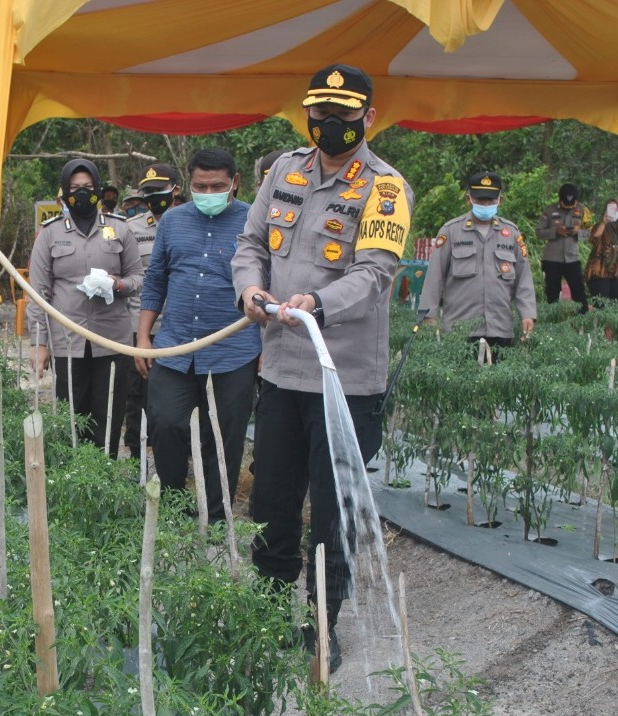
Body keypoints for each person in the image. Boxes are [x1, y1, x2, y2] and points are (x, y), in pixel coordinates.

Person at [232, 64, 413, 673]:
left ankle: (322, 625)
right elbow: (252, 244)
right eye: (320, 114)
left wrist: (318, 304)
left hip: (344, 380)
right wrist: (250, 291)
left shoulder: (385, 187)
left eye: (343, 115)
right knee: (273, 506)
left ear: (369, 116)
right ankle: (265, 614)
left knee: (331, 515)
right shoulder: (284, 171)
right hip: (280, 374)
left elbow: (375, 273)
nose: (329, 125)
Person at [135, 149, 258, 520]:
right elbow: (155, 279)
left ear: (234, 182)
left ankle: (215, 517)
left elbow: (269, 283)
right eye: (200, 186)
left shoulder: (255, 221)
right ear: (187, 185)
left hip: (234, 350)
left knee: (223, 436)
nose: (208, 192)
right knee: (167, 422)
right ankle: (173, 508)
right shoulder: (173, 221)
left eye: (217, 186)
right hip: (175, 346)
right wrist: (143, 338)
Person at [27, 158, 144, 456]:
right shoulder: (50, 233)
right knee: (71, 419)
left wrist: (118, 285)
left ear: (99, 190)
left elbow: (138, 277)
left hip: (112, 340)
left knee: (107, 418)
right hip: (68, 341)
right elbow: (38, 292)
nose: (81, 193)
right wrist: (39, 343)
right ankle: (73, 486)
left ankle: (105, 479)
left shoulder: (119, 229)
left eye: (88, 188)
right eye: (75, 188)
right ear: (64, 192)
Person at [419, 172, 535, 349]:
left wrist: (527, 314)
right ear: (469, 199)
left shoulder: (511, 233)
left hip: (500, 328)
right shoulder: (451, 231)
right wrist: (428, 316)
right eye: (480, 200)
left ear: (500, 200)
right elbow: (434, 277)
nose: (486, 204)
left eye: (490, 200)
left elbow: (524, 278)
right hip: (460, 329)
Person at [122, 162, 182, 459]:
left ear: (176, 190)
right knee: (137, 395)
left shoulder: (191, 223)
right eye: (148, 192)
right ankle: (136, 455)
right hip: (141, 327)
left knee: (174, 397)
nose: (153, 197)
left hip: (180, 327)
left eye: (159, 190)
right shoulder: (131, 229)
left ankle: (172, 454)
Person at [536, 183, 590, 311]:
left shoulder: (583, 210)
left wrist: (578, 234)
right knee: (552, 293)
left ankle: (582, 321)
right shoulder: (549, 211)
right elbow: (539, 232)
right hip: (552, 259)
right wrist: (555, 232)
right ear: (560, 199)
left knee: (579, 291)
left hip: (572, 258)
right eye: (565, 203)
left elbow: (591, 232)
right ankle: (553, 323)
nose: (568, 206)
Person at [585, 198, 618, 302]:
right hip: (599, 271)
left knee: (614, 306)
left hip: (615, 272)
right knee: (602, 304)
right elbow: (594, 239)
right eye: (610, 208)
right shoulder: (599, 226)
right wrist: (604, 223)